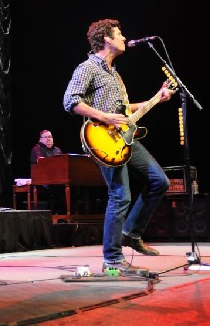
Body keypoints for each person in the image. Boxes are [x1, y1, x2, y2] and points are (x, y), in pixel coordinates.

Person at [63, 19, 174, 275]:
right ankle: (112, 259)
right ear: (107, 39)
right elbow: (70, 101)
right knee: (120, 195)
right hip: (102, 140)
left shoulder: (115, 74)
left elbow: (124, 111)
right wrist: (105, 117)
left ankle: (131, 233)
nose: (124, 37)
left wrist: (156, 98)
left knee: (160, 181)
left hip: (125, 136)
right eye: (120, 33)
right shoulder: (87, 67)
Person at [30, 129, 65, 214]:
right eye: (45, 137)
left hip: (58, 179)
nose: (48, 139)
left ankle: (62, 214)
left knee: (73, 188)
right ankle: (58, 215)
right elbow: (41, 163)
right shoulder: (36, 149)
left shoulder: (57, 150)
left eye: (50, 137)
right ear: (40, 139)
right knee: (59, 189)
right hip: (43, 179)